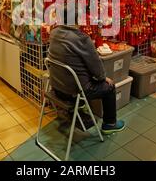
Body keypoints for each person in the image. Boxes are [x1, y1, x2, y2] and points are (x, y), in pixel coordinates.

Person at [48, 7, 125, 135]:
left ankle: (80, 110)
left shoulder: (54, 33)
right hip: (74, 91)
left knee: (86, 77)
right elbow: (97, 68)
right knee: (109, 86)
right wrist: (103, 78)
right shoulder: (81, 38)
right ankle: (109, 124)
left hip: (56, 87)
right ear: (77, 19)